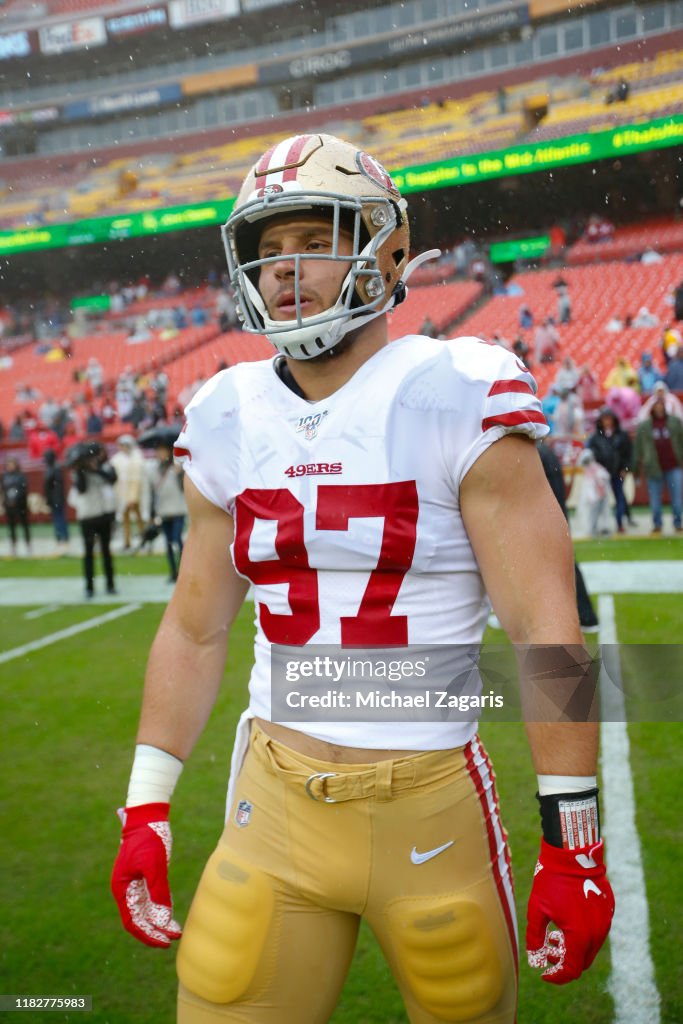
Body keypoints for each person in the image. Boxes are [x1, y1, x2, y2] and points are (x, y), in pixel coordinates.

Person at [111, 133, 614, 1023]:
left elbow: (546, 631)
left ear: (387, 249)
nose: (284, 267)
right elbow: (194, 627)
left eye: (314, 239)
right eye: (268, 249)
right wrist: (145, 805)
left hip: (428, 805)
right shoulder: (226, 413)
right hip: (271, 803)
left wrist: (572, 838)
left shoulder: (457, 389)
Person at [537, 441, 601, 627]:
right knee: (564, 565)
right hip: (554, 517)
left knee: (563, 566)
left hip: (548, 519)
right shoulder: (544, 452)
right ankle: (584, 614)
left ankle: (585, 615)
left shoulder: (538, 455)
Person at [68, 442, 118, 598]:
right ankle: (89, 587)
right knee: (88, 552)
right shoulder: (79, 472)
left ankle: (110, 584)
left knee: (106, 551)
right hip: (87, 516)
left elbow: (112, 479)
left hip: (103, 515)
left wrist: (96, 469)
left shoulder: (105, 468)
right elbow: (81, 488)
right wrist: (82, 469)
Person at [632, 392, 683, 534]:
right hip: (653, 467)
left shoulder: (674, 422)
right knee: (655, 499)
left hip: (673, 466)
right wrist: (635, 468)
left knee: (677, 498)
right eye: (657, 406)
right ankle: (657, 523)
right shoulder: (644, 426)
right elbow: (638, 448)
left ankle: (678, 522)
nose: (659, 408)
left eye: (661, 406)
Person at [586, 407, 634, 532]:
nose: (607, 422)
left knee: (619, 496)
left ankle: (620, 523)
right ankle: (600, 525)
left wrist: (625, 469)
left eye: (609, 419)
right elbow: (591, 454)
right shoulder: (596, 437)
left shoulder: (622, 435)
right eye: (604, 419)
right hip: (601, 475)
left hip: (617, 471)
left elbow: (628, 454)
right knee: (601, 499)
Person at [148, 441, 187, 582]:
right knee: (169, 542)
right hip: (163, 511)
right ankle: (173, 571)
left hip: (178, 509)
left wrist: (179, 474)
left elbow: (183, 488)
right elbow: (153, 492)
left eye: (162, 450)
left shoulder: (178, 467)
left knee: (177, 539)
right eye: (158, 450)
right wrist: (152, 513)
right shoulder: (155, 469)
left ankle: (183, 570)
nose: (160, 453)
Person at [110, 434, 147, 551]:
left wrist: (133, 496)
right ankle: (127, 541)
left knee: (139, 518)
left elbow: (137, 479)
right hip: (122, 494)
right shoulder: (117, 459)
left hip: (136, 494)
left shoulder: (137, 458)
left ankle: (144, 539)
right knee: (125, 519)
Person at [575, 449, 612, 539]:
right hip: (600, 495)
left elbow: (592, 483)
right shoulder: (596, 467)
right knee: (602, 513)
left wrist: (593, 496)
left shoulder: (593, 468)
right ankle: (601, 529)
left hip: (597, 496)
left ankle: (596, 530)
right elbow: (605, 477)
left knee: (595, 514)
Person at [1, 456, 31, 557]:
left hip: (20, 505)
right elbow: (3, 489)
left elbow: (23, 489)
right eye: (8, 464)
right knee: (11, 526)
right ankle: (13, 545)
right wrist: (7, 500)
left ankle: (28, 544)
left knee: (24, 524)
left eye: (12, 464)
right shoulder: (5, 476)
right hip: (9, 505)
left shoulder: (21, 476)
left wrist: (16, 499)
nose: (10, 466)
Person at [43, 449, 70, 553]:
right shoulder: (53, 468)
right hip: (54, 498)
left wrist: (53, 498)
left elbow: (53, 485)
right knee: (57, 518)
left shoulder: (55, 469)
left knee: (59, 519)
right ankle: (60, 538)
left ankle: (63, 538)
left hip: (56, 498)